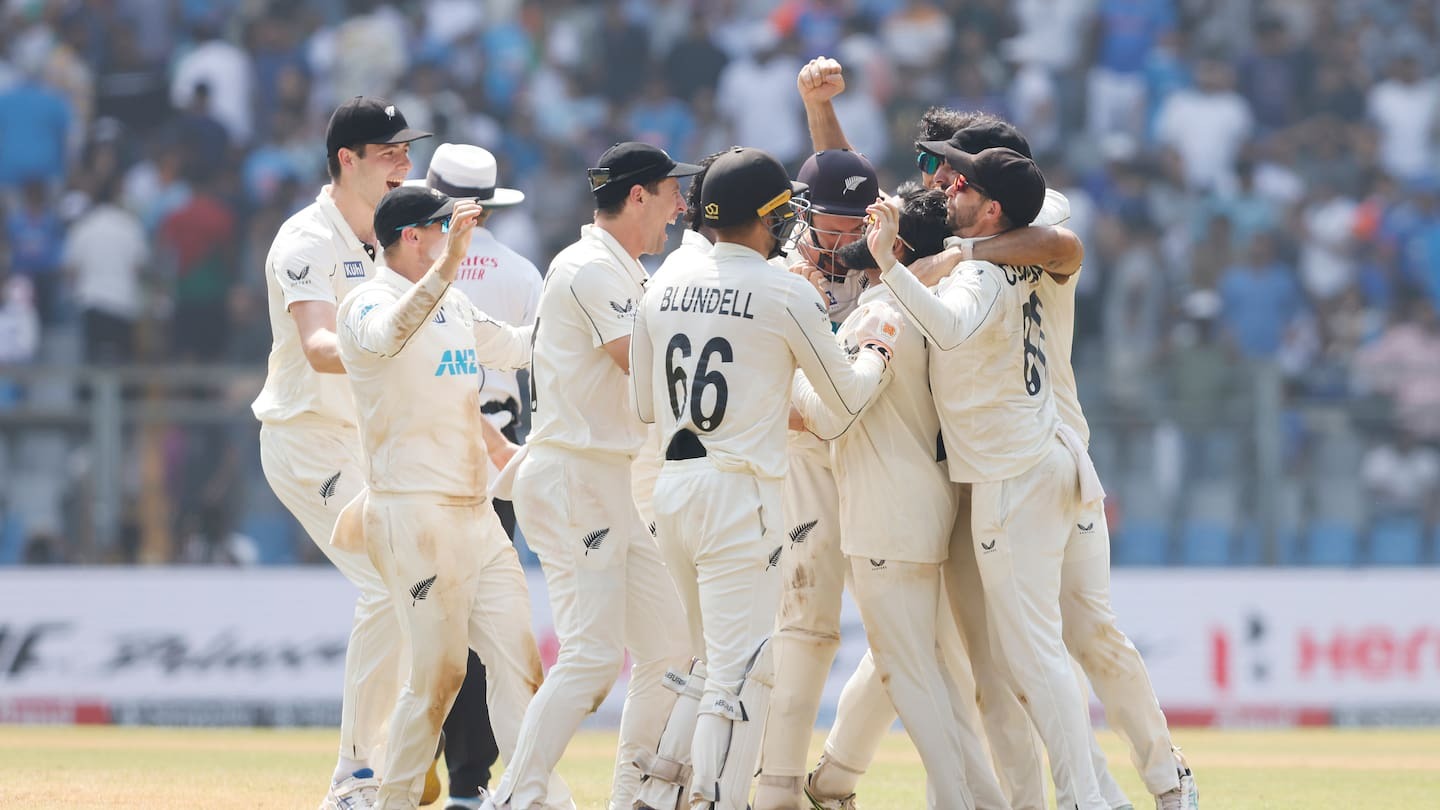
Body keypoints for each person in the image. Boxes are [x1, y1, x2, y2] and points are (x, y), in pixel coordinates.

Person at [629, 146, 898, 810]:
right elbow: (845, 405)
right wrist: (876, 348)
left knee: (706, 662)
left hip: (672, 488)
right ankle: (714, 800)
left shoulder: (660, 283)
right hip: (740, 497)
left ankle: (660, 792)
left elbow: (642, 405)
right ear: (769, 218)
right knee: (747, 675)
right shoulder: (784, 289)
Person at [870, 144, 1104, 809]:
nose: (948, 188)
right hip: (1041, 460)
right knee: (1036, 652)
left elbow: (946, 329)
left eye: (962, 183)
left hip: (1014, 475)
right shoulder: (1015, 257)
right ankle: (1084, 792)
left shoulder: (978, 273)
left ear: (992, 207)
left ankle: (1083, 796)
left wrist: (889, 262)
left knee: (1033, 655)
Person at [334, 187, 569, 810]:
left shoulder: (456, 303)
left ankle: (537, 797)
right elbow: (386, 337)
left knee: (521, 668)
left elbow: (522, 346)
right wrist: (445, 268)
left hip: (477, 512)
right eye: (442, 229)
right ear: (412, 236)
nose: (452, 240)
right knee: (438, 678)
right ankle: (394, 798)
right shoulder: (363, 304)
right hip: (412, 514)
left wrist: (586, 306)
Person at [488, 143, 696, 810]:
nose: (681, 206)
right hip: (576, 478)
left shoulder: (619, 268)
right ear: (638, 195)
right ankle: (514, 797)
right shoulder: (590, 268)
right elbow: (640, 362)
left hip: (601, 479)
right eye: (672, 192)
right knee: (590, 658)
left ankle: (631, 795)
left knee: (670, 647)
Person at [249, 96, 441, 809]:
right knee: (392, 583)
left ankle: (390, 761)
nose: (404, 163)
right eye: (388, 152)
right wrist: (392, 340)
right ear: (346, 161)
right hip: (307, 441)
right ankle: (355, 777)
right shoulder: (306, 240)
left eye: (405, 151)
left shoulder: (390, 237)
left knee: (419, 583)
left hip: (367, 438)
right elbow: (320, 347)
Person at [791, 186, 994, 809]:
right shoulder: (934, 310)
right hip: (925, 506)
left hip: (885, 515)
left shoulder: (878, 312)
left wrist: (789, 375)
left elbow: (829, 417)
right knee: (937, 678)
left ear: (898, 246)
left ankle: (959, 801)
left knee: (909, 677)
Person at [754, 146, 879, 810]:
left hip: (877, 460)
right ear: (802, 215)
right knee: (805, 625)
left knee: (908, 639)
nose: (840, 242)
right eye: (829, 226)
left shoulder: (893, 263)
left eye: (853, 226)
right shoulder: (775, 271)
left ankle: (834, 780)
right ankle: (775, 788)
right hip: (802, 457)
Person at [414, 142, 538, 810]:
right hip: (499, 452)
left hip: (424, 446)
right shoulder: (521, 272)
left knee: (421, 602)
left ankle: (409, 753)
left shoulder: (412, 260)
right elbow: (543, 367)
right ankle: (469, 778)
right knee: (487, 615)